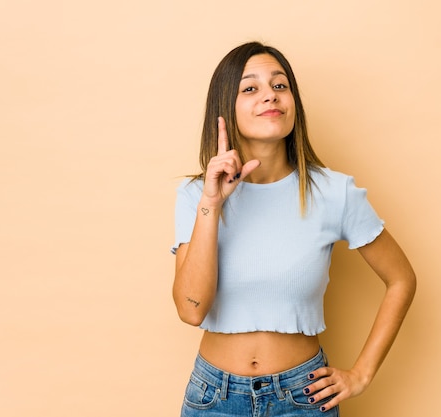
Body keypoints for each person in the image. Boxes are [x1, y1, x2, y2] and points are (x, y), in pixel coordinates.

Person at [171, 42, 416, 416]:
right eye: (250, 88)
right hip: (214, 399)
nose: (270, 95)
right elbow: (191, 309)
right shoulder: (197, 196)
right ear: (225, 108)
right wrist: (212, 203)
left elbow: (401, 279)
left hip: (302, 398)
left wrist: (361, 374)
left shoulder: (334, 192)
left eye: (280, 85)